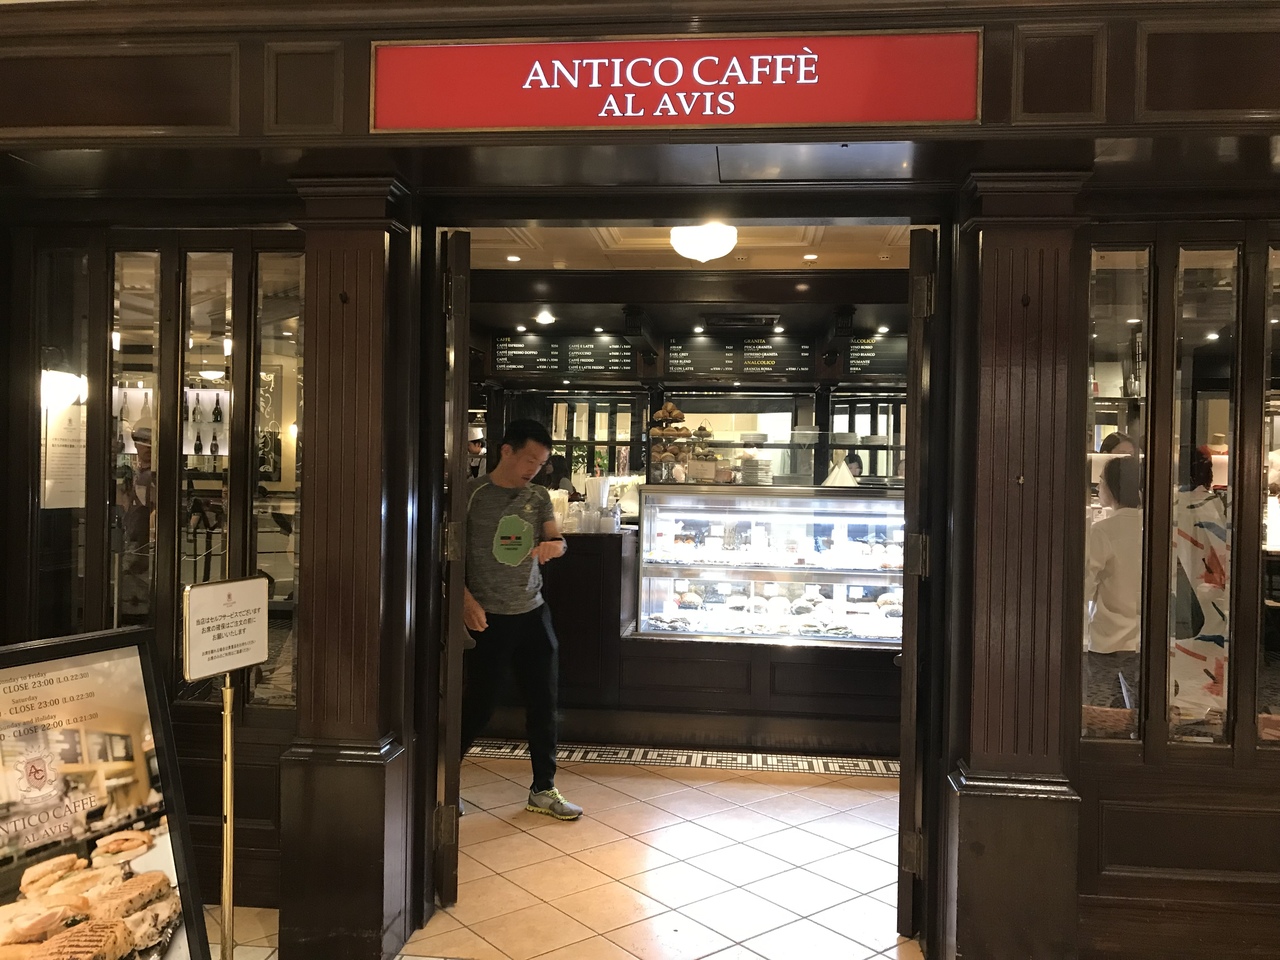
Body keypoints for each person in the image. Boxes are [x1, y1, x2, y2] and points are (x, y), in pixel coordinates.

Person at [460, 419, 582, 820]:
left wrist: (554, 547)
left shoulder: (538, 496)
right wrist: (462, 599)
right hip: (487, 617)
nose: (534, 468)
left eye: (541, 463)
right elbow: (446, 553)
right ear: (506, 451)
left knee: (544, 704)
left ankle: (543, 788)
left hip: (533, 612)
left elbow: (557, 540)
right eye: (529, 459)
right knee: (477, 706)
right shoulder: (471, 495)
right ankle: (441, 785)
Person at [1083, 455, 1143, 708]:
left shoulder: (1103, 531)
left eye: (1101, 481)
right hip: (1142, 637)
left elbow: (1085, 584)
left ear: (1113, 487)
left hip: (1108, 637)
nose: (1098, 487)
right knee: (1137, 706)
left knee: (1097, 708)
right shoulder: (1152, 527)